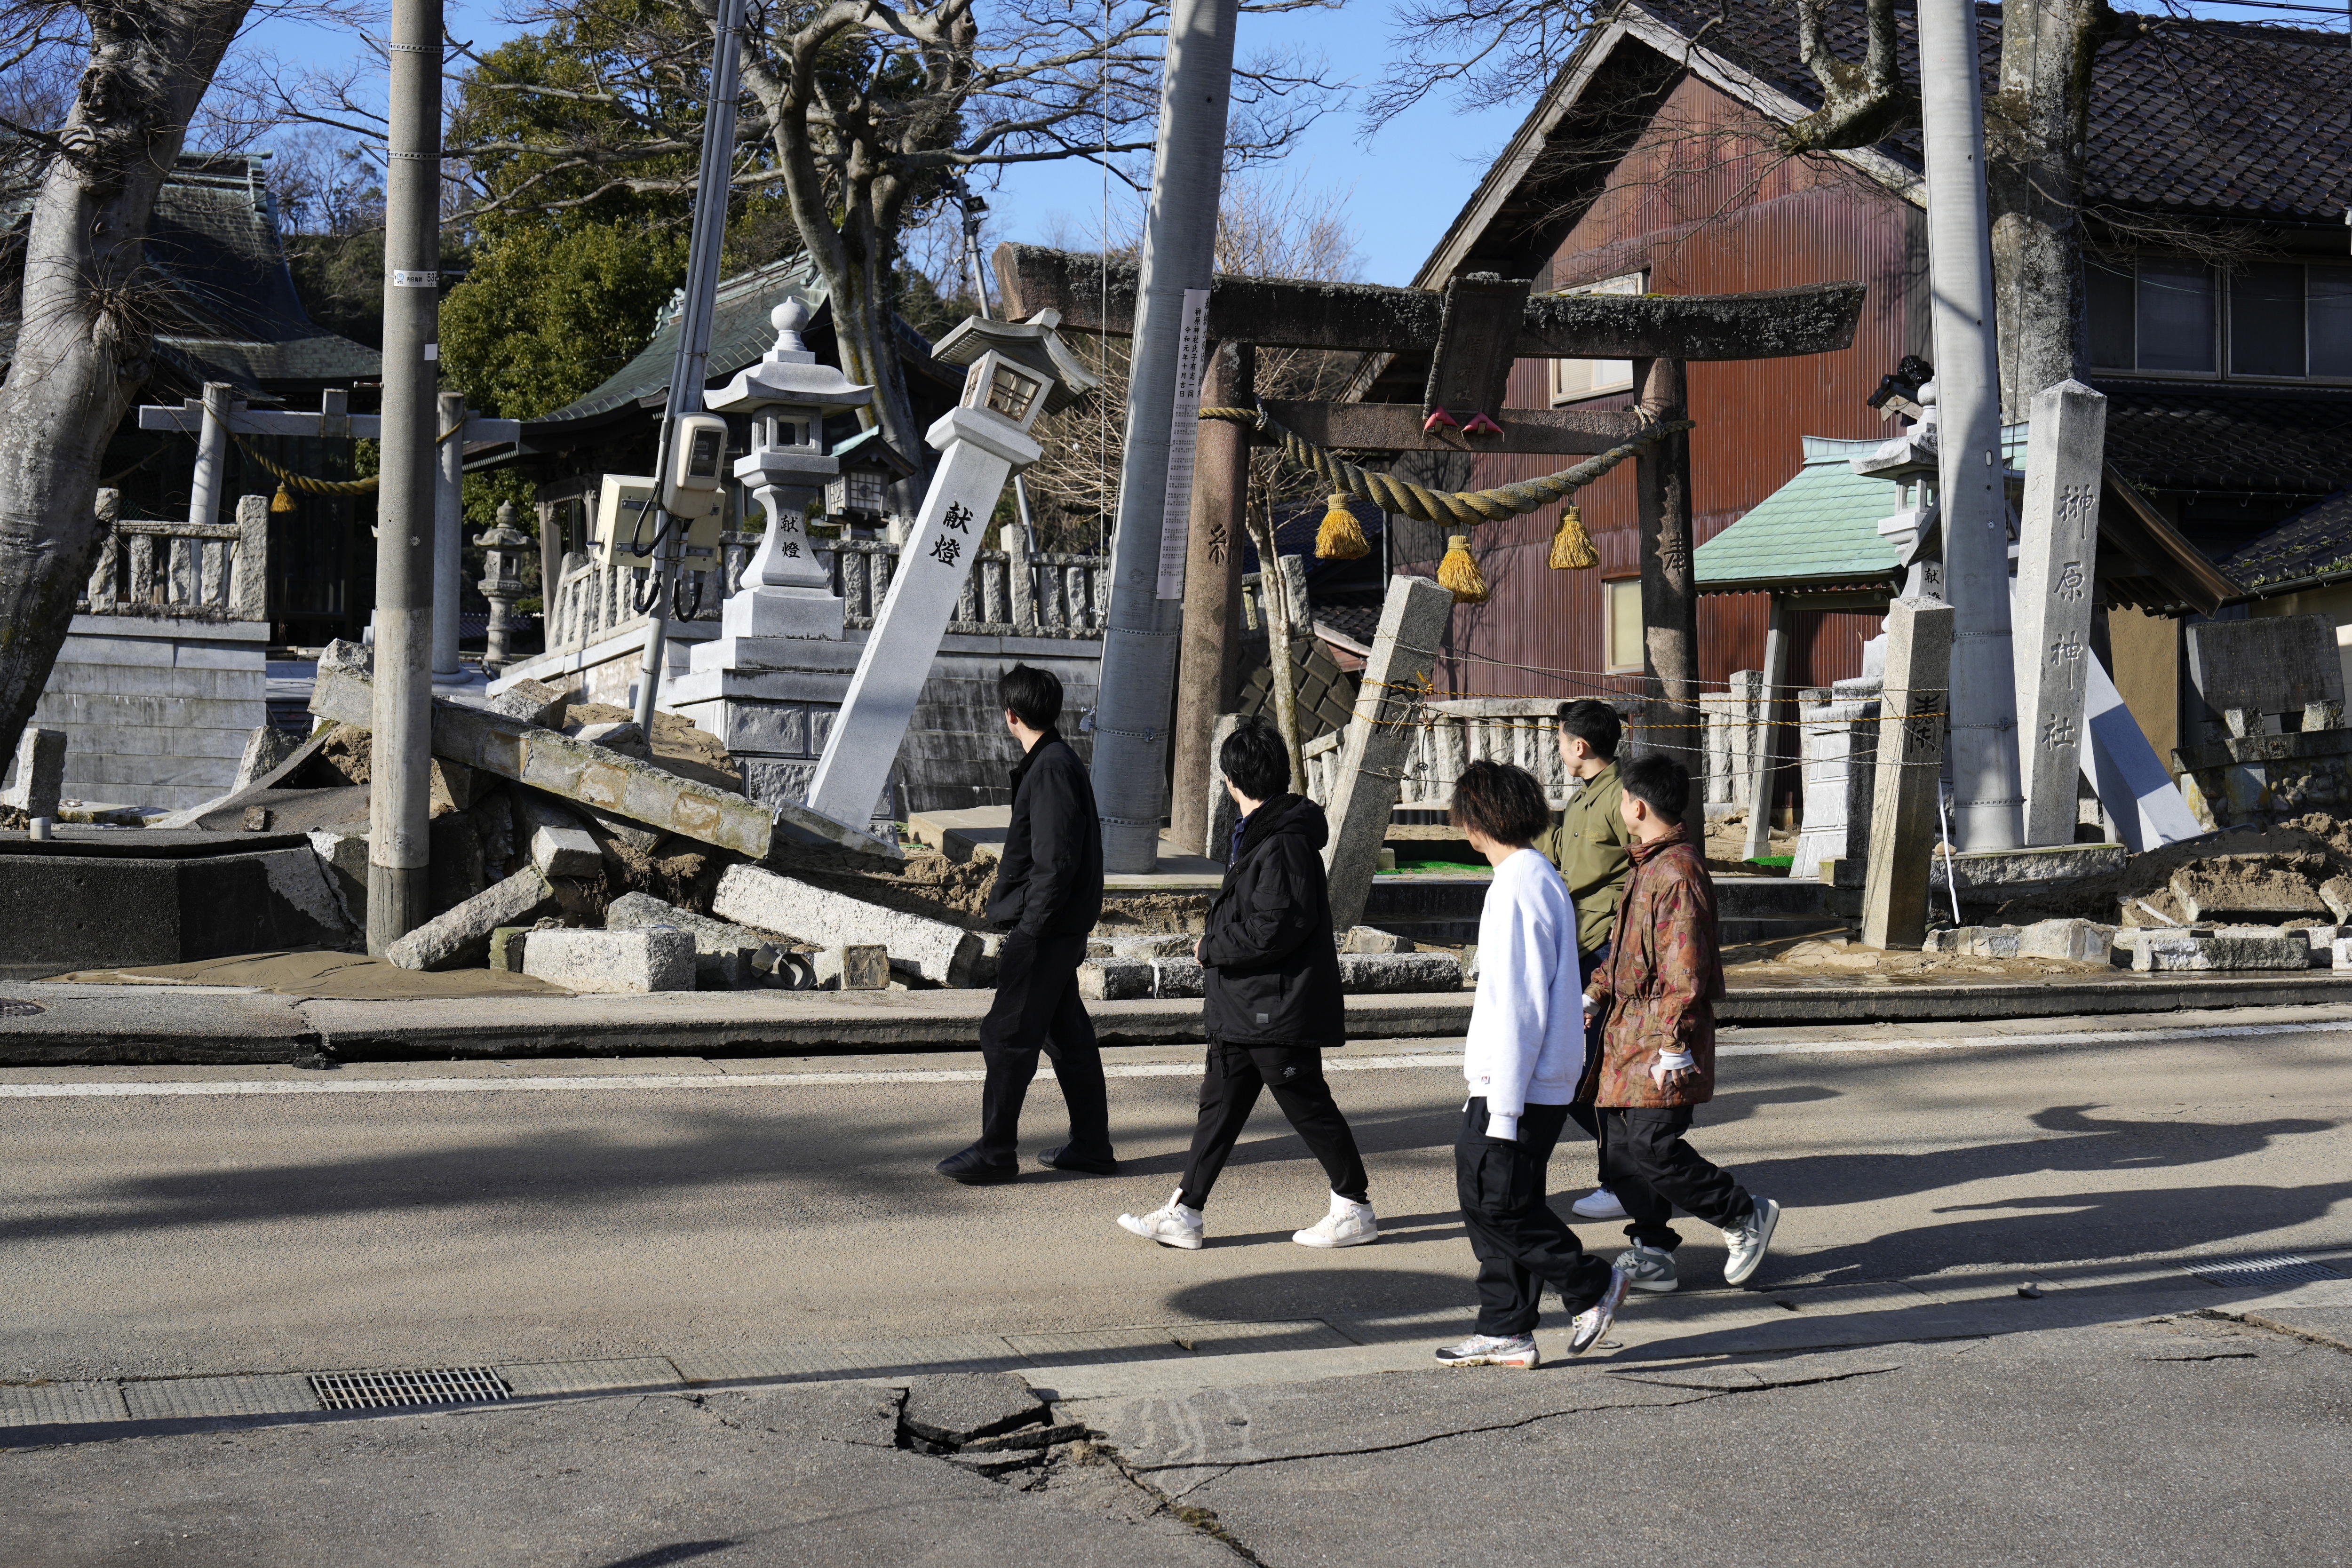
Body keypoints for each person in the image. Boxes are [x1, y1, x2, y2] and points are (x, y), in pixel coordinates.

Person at [1116, 716, 1376, 1252]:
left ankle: (1353, 1206)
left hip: (1273, 1006)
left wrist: (1208, 947)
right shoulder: (1264, 835)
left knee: (1305, 1103)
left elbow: (1272, 928)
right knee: (1219, 1108)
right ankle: (1185, 1211)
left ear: (1231, 782)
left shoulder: (1281, 844)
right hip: (1247, 1004)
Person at [1435, 759, 1628, 1369]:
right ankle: (1505, 1326)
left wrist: (1503, 1104)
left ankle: (1589, 1283)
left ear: (1473, 821)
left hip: (1514, 1083)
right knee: (1502, 1200)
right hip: (1528, 1079)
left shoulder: (1517, 884)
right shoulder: (1537, 875)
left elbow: (1517, 1003)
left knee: (1494, 1201)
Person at [1582, 753, 1779, 1295]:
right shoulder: (1647, 864)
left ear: (1637, 805)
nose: (1620, 805)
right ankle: (1652, 1250)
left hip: (1659, 1037)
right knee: (1619, 1151)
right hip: (1626, 1032)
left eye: (1622, 798)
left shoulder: (1676, 871)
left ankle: (1742, 1214)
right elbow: (1627, 952)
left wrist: (1674, 1043)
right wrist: (1594, 992)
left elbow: (1684, 966)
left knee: (1653, 1147)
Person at [937, 664, 1116, 1185]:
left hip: (1046, 929)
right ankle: (1091, 1146)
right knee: (1068, 1038)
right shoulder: (1054, 762)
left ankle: (996, 1152)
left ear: (1010, 715)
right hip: (1056, 926)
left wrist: (1030, 931)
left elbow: (1054, 862)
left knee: (1006, 1033)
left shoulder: (1051, 769)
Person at [1534, 698, 1635, 1224]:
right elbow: (1560, 856)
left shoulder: (1621, 796)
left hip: (1604, 952)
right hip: (1578, 946)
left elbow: (1643, 871)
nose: (1557, 748)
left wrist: (1623, 953)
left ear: (1579, 745)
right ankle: (1625, 1172)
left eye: (1559, 739)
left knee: (1589, 1075)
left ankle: (1622, 1179)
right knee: (1577, 1074)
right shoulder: (1584, 799)